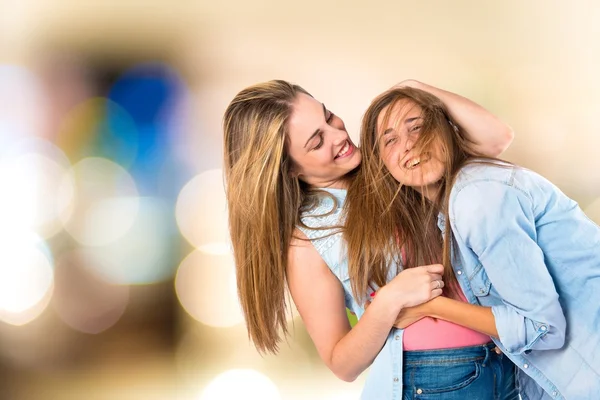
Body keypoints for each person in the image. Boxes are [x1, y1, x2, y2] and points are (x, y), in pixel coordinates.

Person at [222, 79, 514, 399]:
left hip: (507, 360)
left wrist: (413, 88)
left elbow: (496, 138)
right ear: (288, 168)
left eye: (329, 116)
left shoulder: (389, 163)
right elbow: (342, 364)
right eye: (317, 141)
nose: (339, 135)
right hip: (434, 382)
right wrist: (389, 301)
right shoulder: (307, 239)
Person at [352, 86, 600, 399]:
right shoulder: (448, 211)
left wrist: (430, 306)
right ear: (381, 163)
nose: (410, 144)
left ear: (447, 131)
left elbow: (542, 327)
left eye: (418, 126)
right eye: (390, 140)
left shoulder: (475, 196)